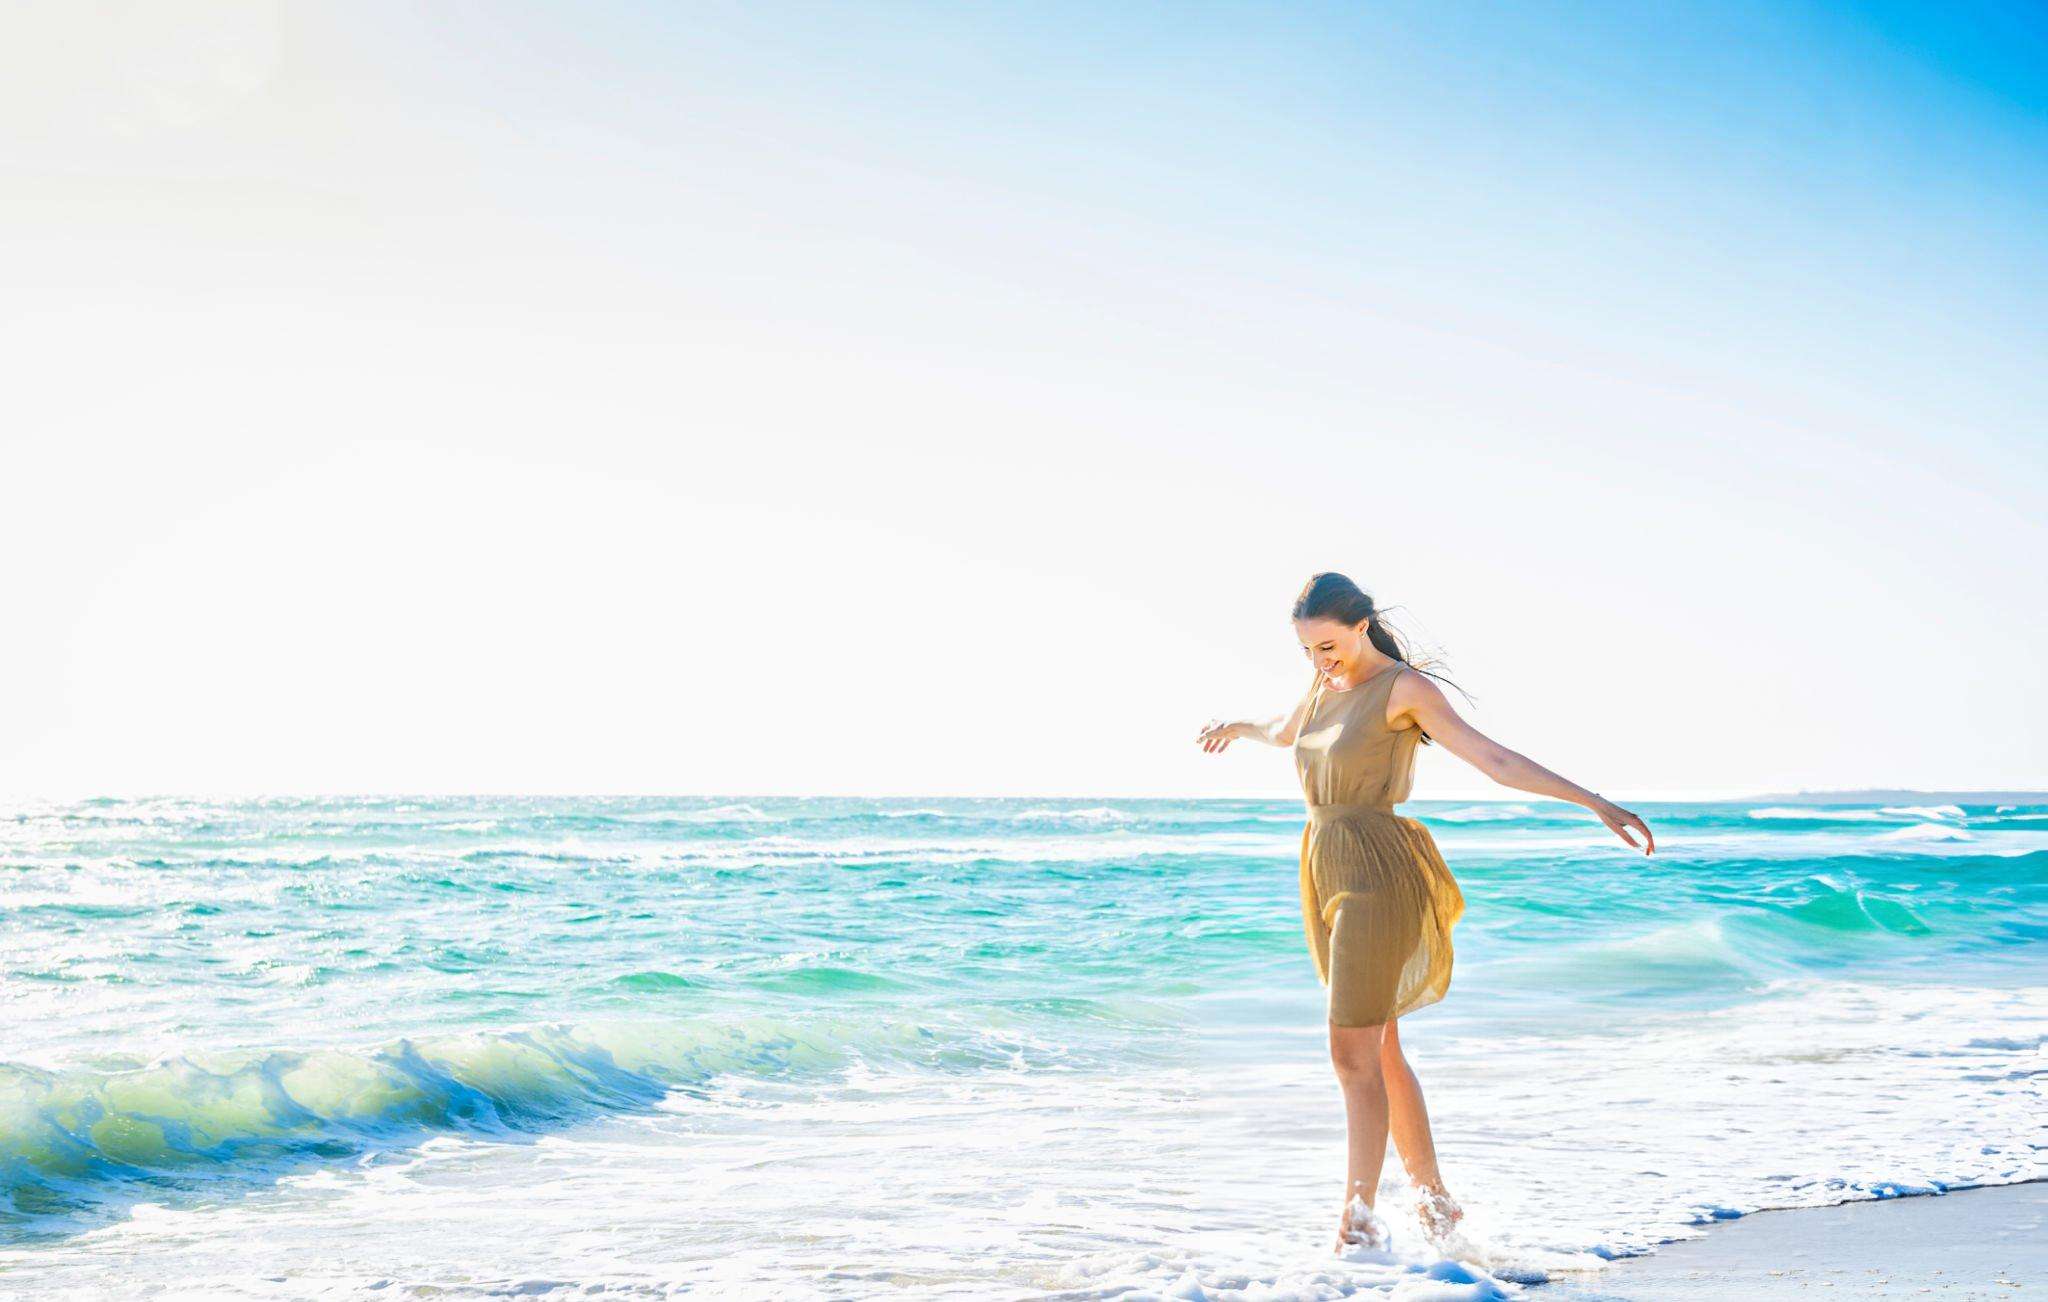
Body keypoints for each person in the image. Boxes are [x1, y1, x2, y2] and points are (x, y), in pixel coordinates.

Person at [1195, 572, 1655, 1254]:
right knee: (1379, 1046)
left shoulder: (1404, 689)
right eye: (1308, 650)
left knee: (1349, 1050)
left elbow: (1492, 758)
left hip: (1377, 875)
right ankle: (1436, 1205)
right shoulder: (1324, 685)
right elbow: (1284, 729)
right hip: (1324, 871)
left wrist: (1594, 801)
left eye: (1328, 645)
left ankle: (1356, 1224)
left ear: (1361, 625)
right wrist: (1236, 726)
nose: (1321, 661)